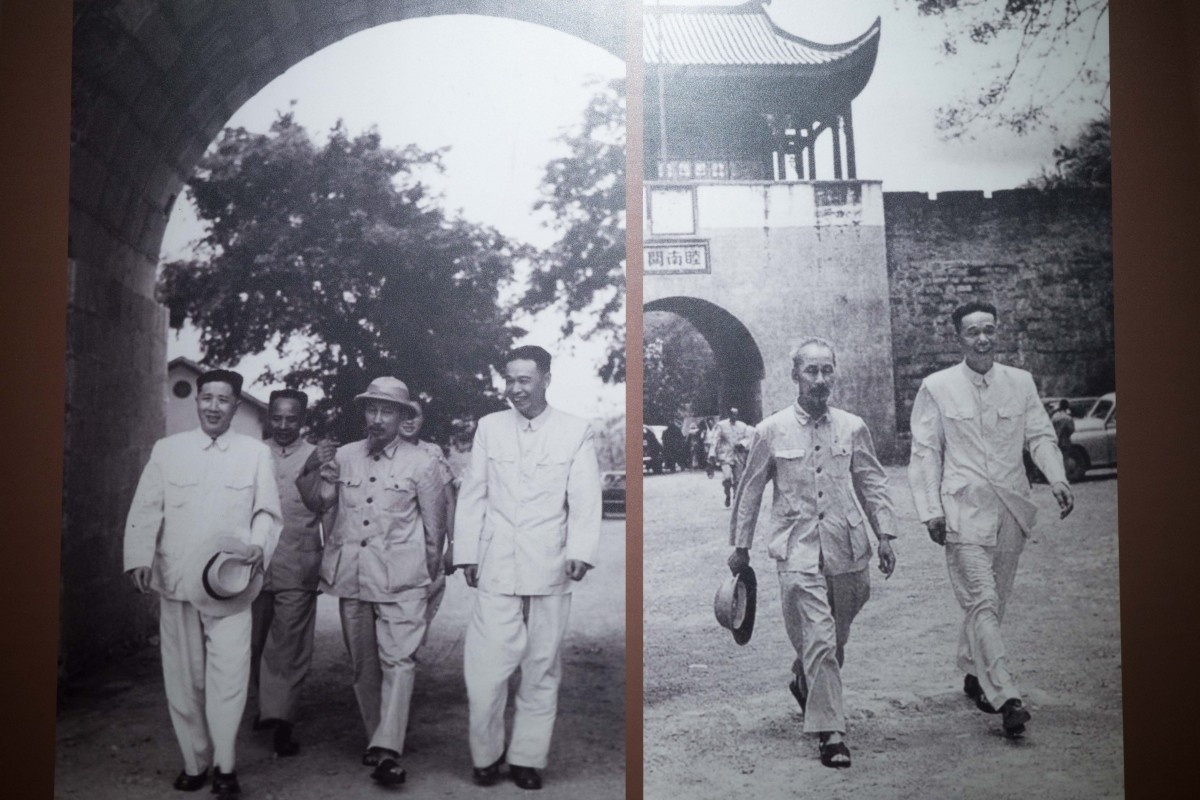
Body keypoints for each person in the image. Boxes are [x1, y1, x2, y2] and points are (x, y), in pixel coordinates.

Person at [908, 301, 1074, 739]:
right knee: (981, 600)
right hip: (962, 510)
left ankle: (970, 669)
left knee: (993, 601)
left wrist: (1057, 477)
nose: (982, 339)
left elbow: (1039, 435)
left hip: (1011, 510)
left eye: (988, 330)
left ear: (996, 333)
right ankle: (1006, 697)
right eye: (972, 332)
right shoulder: (937, 387)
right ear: (958, 338)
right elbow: (925, 453)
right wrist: (930, 511)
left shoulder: (1019, 383)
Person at [728, 339, 897, 769]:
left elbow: (872, 483)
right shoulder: (771, 430)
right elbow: (749, 492)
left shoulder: (853, 427)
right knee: (819, 638)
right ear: (795, 376)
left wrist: (886, 534)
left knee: (834, 639)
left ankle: (805, 680)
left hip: (848, 549)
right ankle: (832, 733)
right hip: (797, 550)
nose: (820, 380)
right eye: (811, 371)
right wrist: (740, 547)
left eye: (827, 371)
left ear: (835, 373)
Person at [123, 369, 282, 797]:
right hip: (176, 581)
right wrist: (139, 556)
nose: (214, 406)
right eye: (206, 397)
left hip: (229, 585)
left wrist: (257, 547)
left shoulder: (254, 454)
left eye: (223, 400)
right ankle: (195, 762)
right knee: (183, 678)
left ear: (235, 405)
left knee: (229, 676)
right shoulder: (168, 450)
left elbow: (266, 512)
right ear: (197, 402)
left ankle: (226, 767)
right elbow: (147, 506)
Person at [454, 345, 602, 791]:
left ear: (545, 379)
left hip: (550, 563)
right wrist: (467, 553)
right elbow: (474, 494)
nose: (516, 389)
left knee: (541, 667)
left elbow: (585, 498)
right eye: (510, 379)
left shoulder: (575, 431)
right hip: (497, 563)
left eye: (525, 379)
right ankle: (486, 755)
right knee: (485, 669)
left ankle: (527, 759)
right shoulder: (490, 428)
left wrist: (581, 549)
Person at [297, 376, 451, 786]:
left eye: (387, 410)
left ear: (403, 417)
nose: (377, 418)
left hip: (403, 578)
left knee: (399, 661)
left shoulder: (424, 463)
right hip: (353, 576)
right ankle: (376, 738)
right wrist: (314, 465)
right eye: (371, 409)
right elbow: (318, 503)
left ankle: (387, 749)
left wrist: (429, 577)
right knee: (364, 664)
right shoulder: (345, 456)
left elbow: (435, 530)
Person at [248, 389, 326, 757]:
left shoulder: (317, 456)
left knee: (289, 646)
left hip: (299, 563)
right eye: (276, 417)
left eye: (290, 419)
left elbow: (329, 507)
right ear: (268, 417)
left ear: (302, 420)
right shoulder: (252, 453)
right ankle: (263, 705)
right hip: (253, 565)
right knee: (254, 641)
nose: (282, 425)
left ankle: (282, 722)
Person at [396, 398, 457, 617]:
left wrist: (452, 544)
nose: (409, 421)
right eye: (403, 414)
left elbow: (449, 501)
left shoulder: (432, 452)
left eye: (415, 415)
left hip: (427, 548)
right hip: (393, 545)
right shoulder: (380, 451)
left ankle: (410, 652)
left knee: (425, 605)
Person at [709, 406, 753, 507]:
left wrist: (742, 443)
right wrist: (712, 454)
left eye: (736, 414)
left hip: (738, 456)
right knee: (727, 478)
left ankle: (736, 499)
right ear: (729, 415)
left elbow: (749, 438)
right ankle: (727, 494)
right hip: (725, 456)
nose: (734, 416)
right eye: (732, 414)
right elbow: (715, 440)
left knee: (738, 480)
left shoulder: (743, 426)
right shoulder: (721, 425)